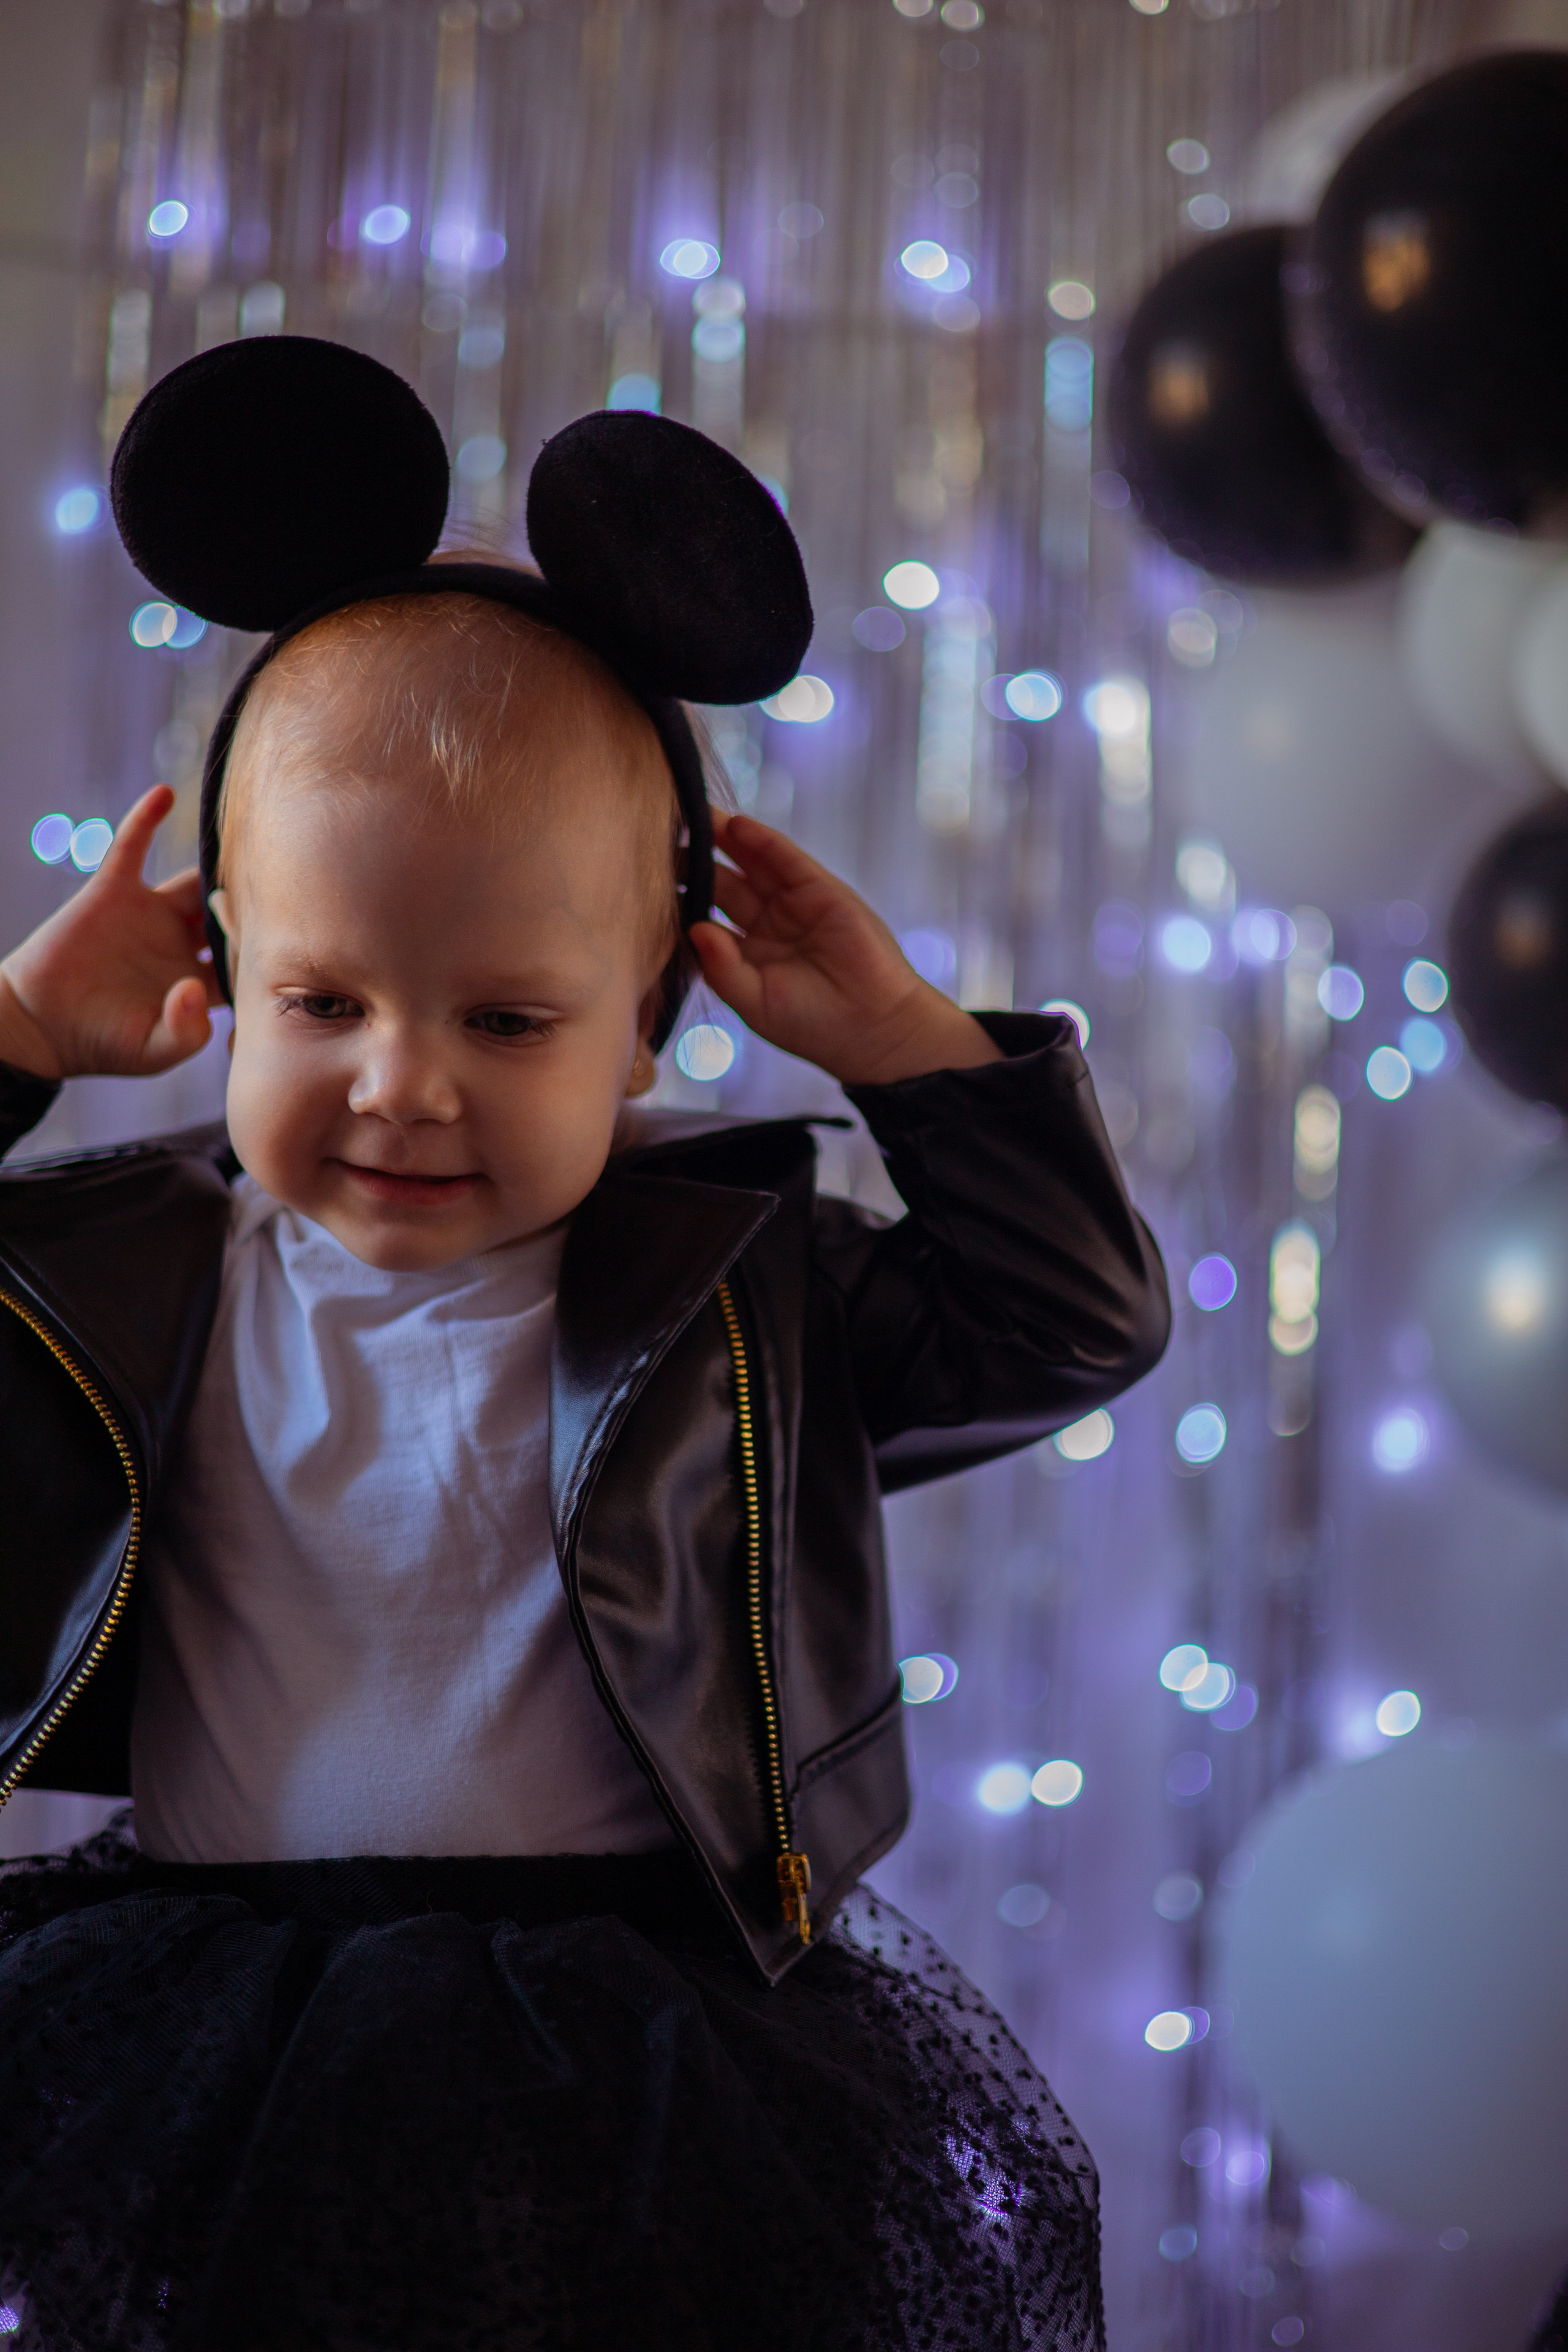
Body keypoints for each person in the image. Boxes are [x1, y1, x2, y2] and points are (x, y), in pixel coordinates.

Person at [0, 339, 1168, 2352]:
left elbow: (1064, 1318)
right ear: (217, 976)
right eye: (325, 1000)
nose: (402, 1086)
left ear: (652, 1022)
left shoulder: (740, 1282)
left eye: (509, 1022)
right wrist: (16, 1038)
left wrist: (908, 1048)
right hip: (209, 2007)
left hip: (638, 2037)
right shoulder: (132, 1268)